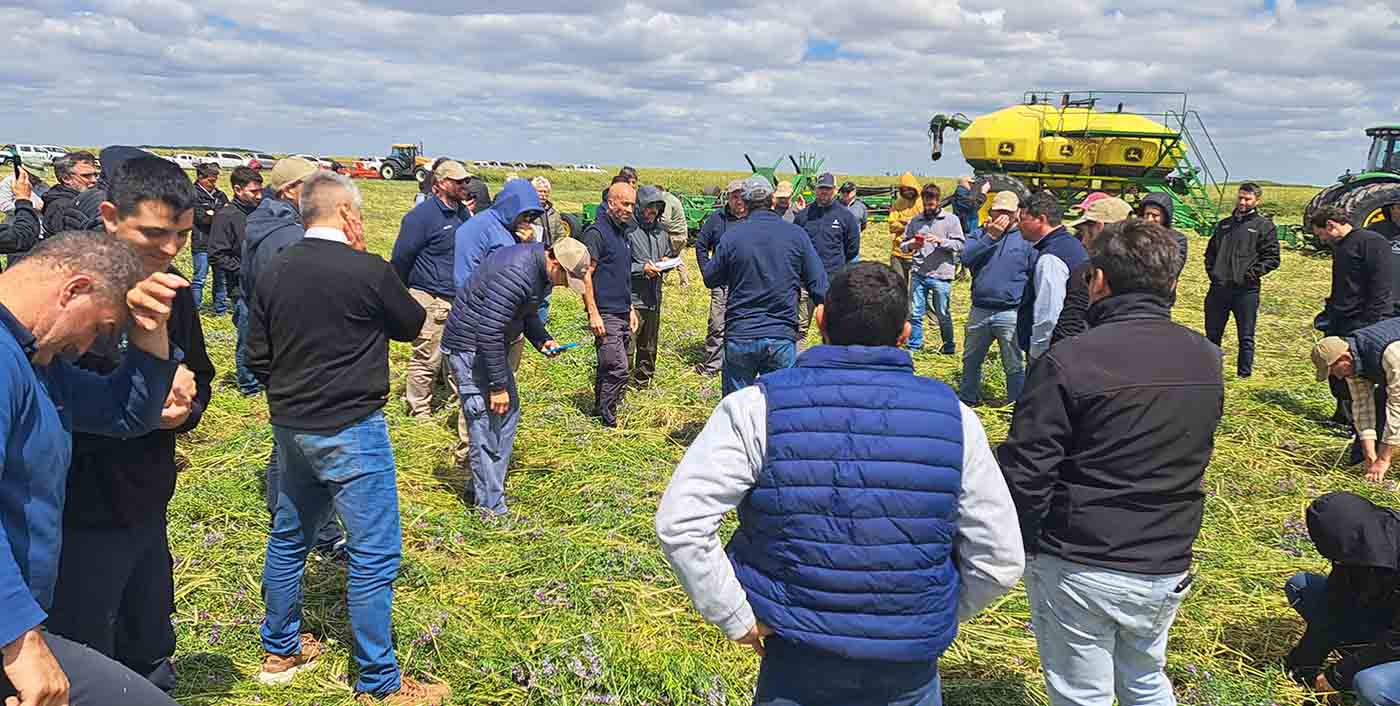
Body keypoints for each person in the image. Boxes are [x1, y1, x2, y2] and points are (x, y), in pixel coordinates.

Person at [656, 261, 1024, 706]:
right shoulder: (956, 418)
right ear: (905, 333)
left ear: (819, 320)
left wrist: (735, 614)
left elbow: (681, 523)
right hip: (908, 669)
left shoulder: (755, 407)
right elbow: (1001, 560)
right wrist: (929, 612)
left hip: (797, 656)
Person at [999, 220, 1224, 706]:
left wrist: (1026, 543)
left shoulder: (1069, 360)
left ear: (1097, 280)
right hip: (1167, 553)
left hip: (1082, 557)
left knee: (1082, 692)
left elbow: (1027, 469)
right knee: (1145, 678)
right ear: (1173, 283)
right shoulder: (1206, 357)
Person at [246, 171, 448, 706]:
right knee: (375, 553)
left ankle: (280, 650)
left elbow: (256, 357)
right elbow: (410, 324)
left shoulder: (274, 268)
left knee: (289, 537)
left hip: (290, 427)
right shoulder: (366, 270)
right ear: (348, 215)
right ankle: (379, 682)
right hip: (352, 428)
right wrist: (368, 260)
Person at [46, 156, 212, 694]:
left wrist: (185, 403)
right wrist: (132, 400)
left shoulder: (171, 290)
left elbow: (203, 377)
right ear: (112, 216)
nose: (169, 250)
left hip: (147, 498)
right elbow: (48, 398)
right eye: (155, 233)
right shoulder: (69, 287)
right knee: (85, 643)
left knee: (149, 633)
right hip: (79, 508)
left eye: (182, 235)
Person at [0, 231, 185, 706]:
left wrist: (149, 336)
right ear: (74, 289)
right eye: (103, 329)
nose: (88, 349)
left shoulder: (33, 359)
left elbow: (124, 414)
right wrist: (19, 640)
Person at [243, 156, 346, 554]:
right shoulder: (287, 238)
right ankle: (316, 531)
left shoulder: (263, 224)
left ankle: (279, 505)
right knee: (312, 442)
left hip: (278, 347)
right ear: (289, 191)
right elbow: (293, 301)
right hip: (299, 353)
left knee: (287, 438)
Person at [441, 239, 589, 515]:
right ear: (555, 262)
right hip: (470, 349)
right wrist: (498, 386)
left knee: (506, 415)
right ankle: (491, 510)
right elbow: (488, 331)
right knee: (486, 423)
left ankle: (481, 487)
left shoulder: (538, 271)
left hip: (487, 346)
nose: (564, 285)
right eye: (565, 279)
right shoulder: (516, 272)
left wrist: (542, 339)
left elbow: (525, 312)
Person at [702, 176, 828, 395]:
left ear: (745, 204)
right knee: (779, 406)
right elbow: (819, 284)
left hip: (741, 335)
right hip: (781, 335)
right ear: (772, 200)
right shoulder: (796, 235)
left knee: (736, 408)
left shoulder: (732, 237)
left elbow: (710, 278)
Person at [1284, 492, 1400, 705]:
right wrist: (1303, 667)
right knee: (1301, 586)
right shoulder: (1357, 544)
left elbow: (1397, 641)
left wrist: (1338, 675)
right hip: (1386, 624)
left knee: (1371, 685)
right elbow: (1333, 606)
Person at [391, 160, 472, 419]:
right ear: (440, 184)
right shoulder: (420, 217)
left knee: (457, 356)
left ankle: (457, 402)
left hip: (457, 297)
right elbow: (401, 258)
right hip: (430, 297)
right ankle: (420, 412)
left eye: (466, 180)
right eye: (458, 181)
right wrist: (407, 295)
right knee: (427, 358)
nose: (465, 185)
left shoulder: (462, 213)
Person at [958, 191, 1034, 405]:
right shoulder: (980, 234)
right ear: (990, 212)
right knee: (971, 359)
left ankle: (1015, 406)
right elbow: (964, 257)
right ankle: (967, 400)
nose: (1002, 216)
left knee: (1014, 364)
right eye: (998, 211)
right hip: (979, 309)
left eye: (1007, 212)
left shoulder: (1025, 238)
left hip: (1010, 311)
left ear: (1017, 213)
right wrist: (990, 237)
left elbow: (1033, 271)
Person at [1203, 182, 1279, 379]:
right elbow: (1210, 254)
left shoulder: (1264, 227)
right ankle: (1211, 372)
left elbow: (1272, 259)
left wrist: (1248, 275)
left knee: (1245, 336)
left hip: (1246, 292)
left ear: (1257, 200)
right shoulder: (1224, 225)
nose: (1242, 202)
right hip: (1219, 289)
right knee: (1212, 333)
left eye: (1247, 199)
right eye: (1240, 197)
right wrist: (1214, 273)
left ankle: (1243, 375)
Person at [1311, 319, 1400, 483]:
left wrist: (1383, 459)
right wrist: (1370, 455)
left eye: (1334, 370)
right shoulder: (1353, 366)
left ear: (1344, 357)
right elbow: (1362, 408)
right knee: (1380, 401)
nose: (1337, 377)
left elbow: (1397, 407)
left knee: (1389, 406)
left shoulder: (1391, 353)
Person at [579, 183, 638, 427]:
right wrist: (592, 312)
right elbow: (585, 275)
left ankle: (599, 409)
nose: (629, 209)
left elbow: (622, 275)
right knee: (617, 367)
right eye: (625, 204)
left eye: (632, 204)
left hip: (622, 310)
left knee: (609, 365)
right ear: (611, 202)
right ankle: (608, 418)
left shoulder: (623, 233)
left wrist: (631, 307)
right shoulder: (597, 233)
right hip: (605, 312)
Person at [1049, 197, 1134, 347]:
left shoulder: (1089, 273)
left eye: (1085, 233)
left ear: (1099, 228)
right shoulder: (1147, 271)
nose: (1082, 241)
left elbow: (1070, 325)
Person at [209, 166, 264, 395]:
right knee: (247, 336)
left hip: (264, 286)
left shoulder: (259, 213)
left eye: (260, 191)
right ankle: (248, 385)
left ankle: (262, 377)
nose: (259, 196)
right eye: (254, 192)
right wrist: (245, 270)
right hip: (242, 289)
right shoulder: (227, 216)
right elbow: (217, 254)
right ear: (237, 189)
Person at [1016, 191, 1088, 362]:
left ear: (1040, 219)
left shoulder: (1051, 257)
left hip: (1051, 351)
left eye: (1022, 219)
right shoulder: (1070, 244)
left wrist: (1037, 353)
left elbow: (1048, 314)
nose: (1018, 225)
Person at [793, 173, 861, 344]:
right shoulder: (803, 216)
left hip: (832, 279)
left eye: (828, 189)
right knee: (799, 328)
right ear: (815, 190)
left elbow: (852, 249)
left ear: (835, 190)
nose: (824, 192)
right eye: (821, 188)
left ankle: (829, 362)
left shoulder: (846, 217)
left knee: (831, 326)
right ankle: (797, 364)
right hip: (805, 280)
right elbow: (794, 245)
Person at [900, 183, 965, 354]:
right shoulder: (916, 221)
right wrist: (912, 244)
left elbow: (960, 244)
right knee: (915, 312)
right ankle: (915, 345)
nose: (929, 208)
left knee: (942, 313)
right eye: (926, 204)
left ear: (938, 202)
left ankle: (949, 347)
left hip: (941, 274)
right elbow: (903, 245)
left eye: (932, 205)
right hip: (919, 272)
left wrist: (941, 241)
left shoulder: (951, 220)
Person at [694, 179, 747, 376]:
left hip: (746, 284)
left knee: (743, 325)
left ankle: (738, 364)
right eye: (734, 196)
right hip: (722, 284)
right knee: (717, 324)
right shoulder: (716, 219)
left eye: (742, 196)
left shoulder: (753, 219)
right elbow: (700, 246)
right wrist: (707, 271)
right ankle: (712, 365)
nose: (738, 200)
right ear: (728, 197)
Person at [627, 186, 672, 387]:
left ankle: (643, 382)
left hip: (654, 297)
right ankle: (621, 384)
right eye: (648, 207)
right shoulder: (628, 231)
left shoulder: (662, 233)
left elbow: (668, 255)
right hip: (632, 298)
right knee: (627, 344)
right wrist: (641, 268)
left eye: (656, 208)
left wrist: (666, 262)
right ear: (639, 207)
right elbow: (617, 266)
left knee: (649, 345)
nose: (652, 212)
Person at [191, 163, 229, 313]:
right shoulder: (193, 195)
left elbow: (228, 215)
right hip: (202, 243)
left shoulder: (220, 195)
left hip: (219, 244)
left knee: (220, 279)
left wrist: (213, 213)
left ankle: (220, 309)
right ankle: (194, 311)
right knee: (200, 279)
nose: (214, 183)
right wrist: (217, 213)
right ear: (200, 178)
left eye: (215, 180)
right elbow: (201, 219)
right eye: (211, 180)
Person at [41, 151, 99, 234]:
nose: (94, 180)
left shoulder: (86, 199)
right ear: (66, 179)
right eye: (86, 176)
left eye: (95, 175)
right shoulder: (60, 207)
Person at [0, 167, 43, 270]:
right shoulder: (10, 182)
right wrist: (23, 201)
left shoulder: (42, 185)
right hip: (19, 227)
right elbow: (23, 236)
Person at [1137, 193, 1188, 278]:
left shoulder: (1177, 240)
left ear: (1165, 216)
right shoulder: (1135, 234)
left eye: (1155, 215)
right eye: (1147, 214)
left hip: (1160, 287)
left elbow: (1173, 269)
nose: (1149, 219)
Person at [887, 172, 922, 287]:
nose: (907, 191)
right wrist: (908, 224)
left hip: (918, 254)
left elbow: (924, 226)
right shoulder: (898, 203)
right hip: (898, 252)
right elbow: (892, 226)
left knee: (918, 289)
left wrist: (903, 222)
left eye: (909, 188)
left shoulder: (922, 203)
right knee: (899, 286)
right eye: (904, 189)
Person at [659, 186, 690, 286]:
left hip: (674, 234)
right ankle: (685, 282)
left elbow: (665, 220)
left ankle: (660, 280)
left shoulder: (666, 200)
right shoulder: (672, 198)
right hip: (682, 234)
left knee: (665, 257)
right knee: (677, 258)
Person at [532, 176, 565, 247]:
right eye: (540, 191)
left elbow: (561, 235)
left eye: (545, 192)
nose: (543, 195)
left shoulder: (553, 213)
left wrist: (553, 249)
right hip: (533, 251)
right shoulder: (528, 213)